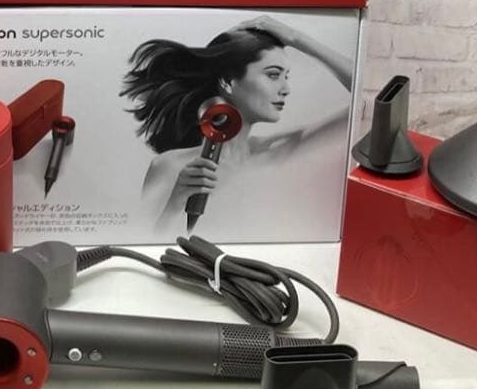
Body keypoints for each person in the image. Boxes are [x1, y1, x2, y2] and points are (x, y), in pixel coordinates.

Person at [121, 15, 353, 234]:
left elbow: (364, 101)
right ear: (228, 82)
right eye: (273, 75)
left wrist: (294, 37)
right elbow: (144, 241)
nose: (286, 89)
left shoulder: (279, 151)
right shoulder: (169, 166)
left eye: (286, 76)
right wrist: (175, 203)